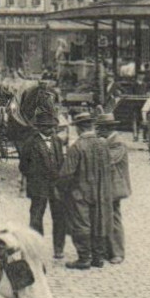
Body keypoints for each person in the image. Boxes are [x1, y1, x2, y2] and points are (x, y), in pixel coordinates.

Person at [59, 113, 116, 270]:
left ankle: (84, 258)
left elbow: (66, 173)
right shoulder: (103, 144)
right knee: (99, 221)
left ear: (78, 128)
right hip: (102, 191)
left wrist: (62, 190)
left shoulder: (77, 147)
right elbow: (111, 167)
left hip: (81, 192)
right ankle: (98, 257)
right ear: (91, 127)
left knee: (81, 224)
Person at [19, 119, 69, 260]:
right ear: (39, 127)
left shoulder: (57, 141)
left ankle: (58, 249)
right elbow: (23, 166)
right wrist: (35, 176)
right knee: (36, 217)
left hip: (55, 185)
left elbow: (60, 161)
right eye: (46, 126)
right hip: (38, 186)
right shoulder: (30, 143)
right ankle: (36, 248)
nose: (50, 129)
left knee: (59, 217)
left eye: (52, 126)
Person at [101, 117, 132, 264]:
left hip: (115, 186)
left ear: (107, 128)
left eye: (100, 128)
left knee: (114, 218)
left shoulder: (117, 142)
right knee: (107, 217)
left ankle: (118, 252)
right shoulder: (109, 140)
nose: (98, 131)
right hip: (109, 185)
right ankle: (109, 250)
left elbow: (109, 160)